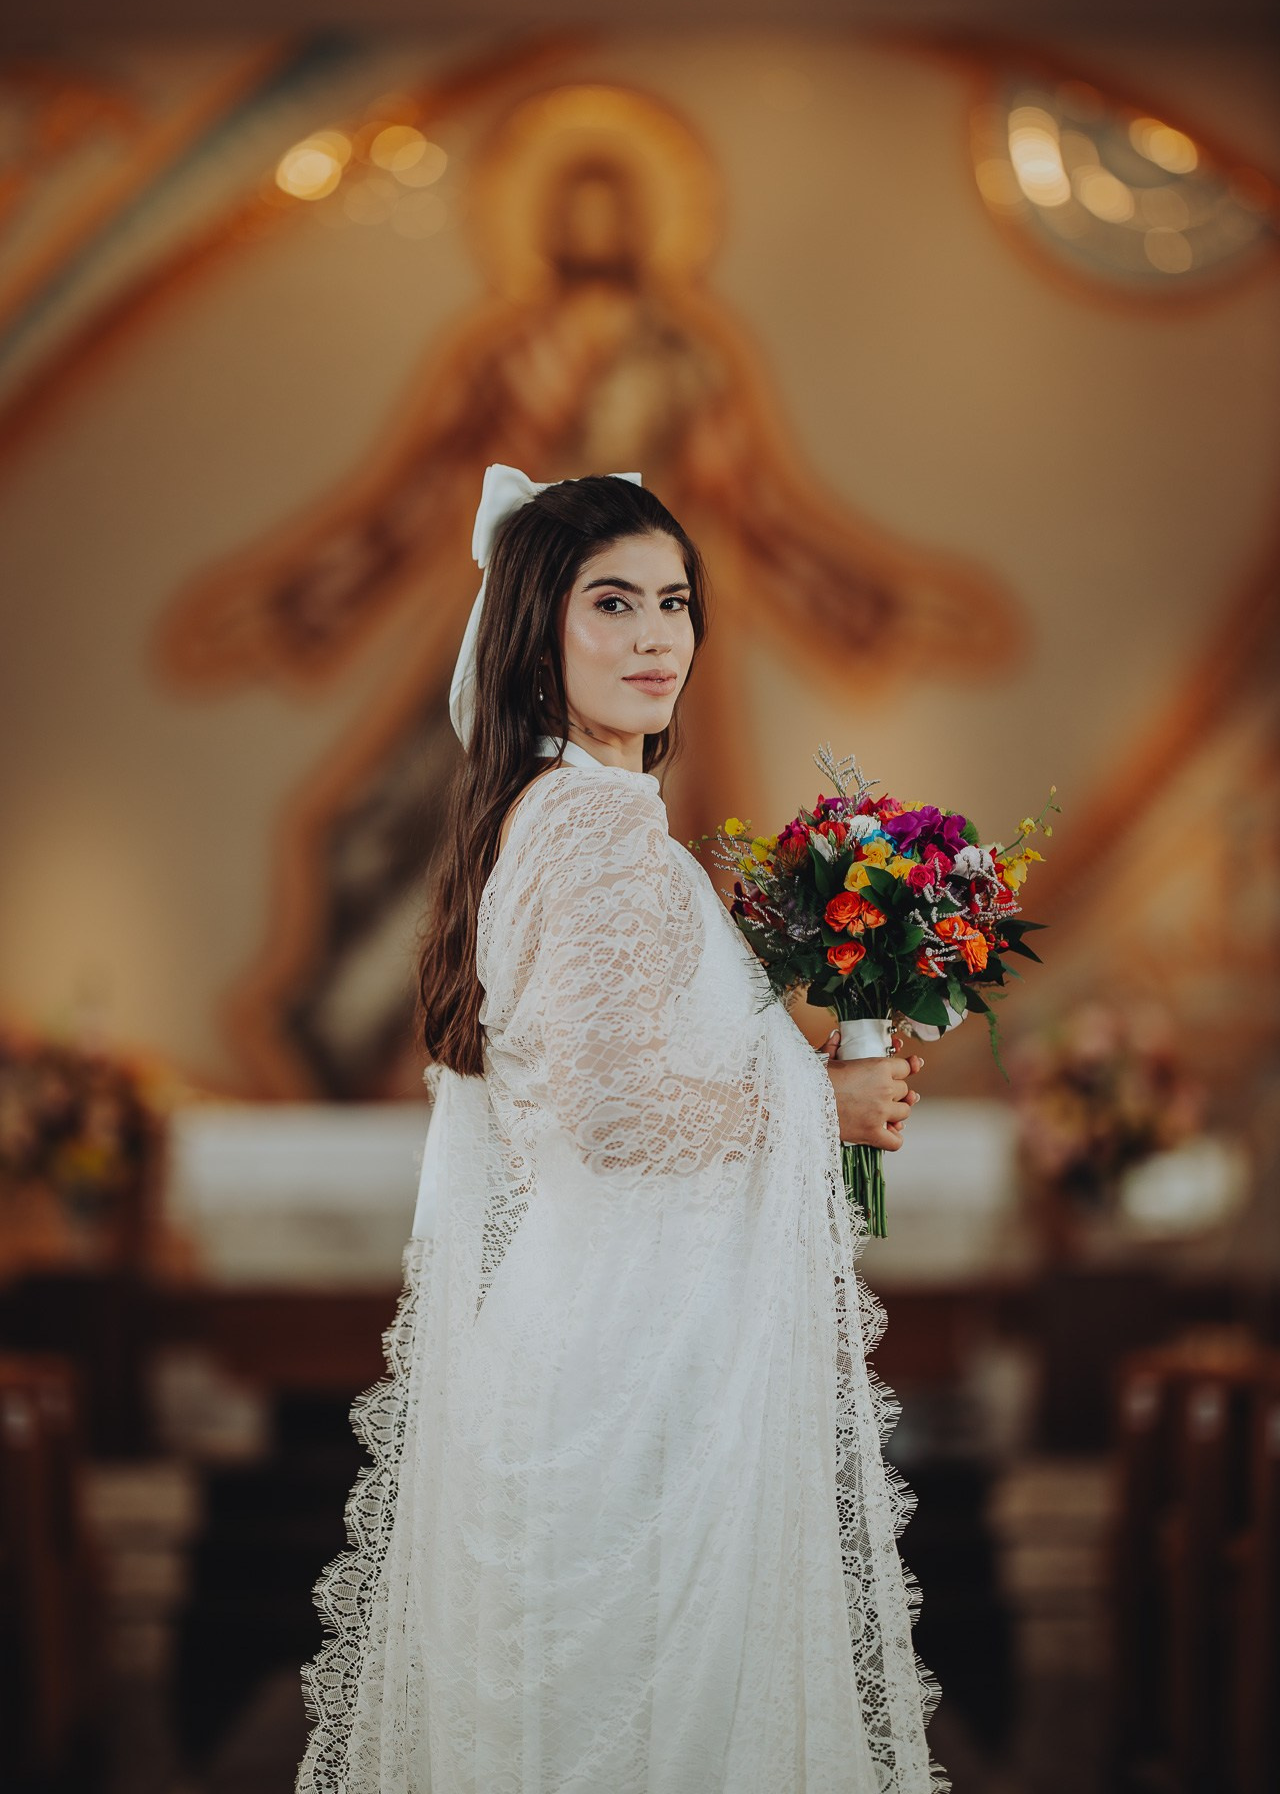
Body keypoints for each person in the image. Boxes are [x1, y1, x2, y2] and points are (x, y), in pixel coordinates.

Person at [295, 466, 946, 1794]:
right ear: (538, 631)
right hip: (632, 1369)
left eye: (676, 603)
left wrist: (807, 1054)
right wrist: (820, 1104)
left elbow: (624, 1070)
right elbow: (610, 1113)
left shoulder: (566, 815)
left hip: (614, 1336)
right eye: (614, 604)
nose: (658, 637)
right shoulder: (591, 828)